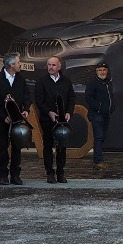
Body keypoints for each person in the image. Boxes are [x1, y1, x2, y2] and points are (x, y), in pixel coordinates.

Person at [0, 52, 31, 185]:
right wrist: (4, 117)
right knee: (2, 147)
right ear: (11, 65)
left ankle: (15, 175)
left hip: (17, 120)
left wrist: (26, 110)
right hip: (2, 120)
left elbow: (26, 96)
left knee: (17, 147)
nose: (20, 65)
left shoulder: (21, 79)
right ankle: (3, 175)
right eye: (18, 62)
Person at [35, 55, 76, 183]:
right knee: (48, 146)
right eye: (49, 65)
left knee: (61, 146)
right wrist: (49, 112)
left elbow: (71, 98)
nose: (50, 67)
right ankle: (50, 173)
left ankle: (60, 172)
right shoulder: (41, 81)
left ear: (59, 67)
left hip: (62, 120)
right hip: (47, 120)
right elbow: (39, 101)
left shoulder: (66, 81)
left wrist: (69, 112)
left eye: (53, 65)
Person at [84, 62, 115, 171]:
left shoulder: (108, 83)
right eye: (100, 70)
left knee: (103, 137)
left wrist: (112, 108)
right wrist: (99, 108)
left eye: (104, 70)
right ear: (96, 71)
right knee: (99, 137)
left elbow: (110, 98)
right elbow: (88, 97)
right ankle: (98, 161)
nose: (102, 72)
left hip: (106, 114)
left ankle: (99, 159)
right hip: (96, 114)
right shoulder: (92, 83)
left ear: (107, 71)